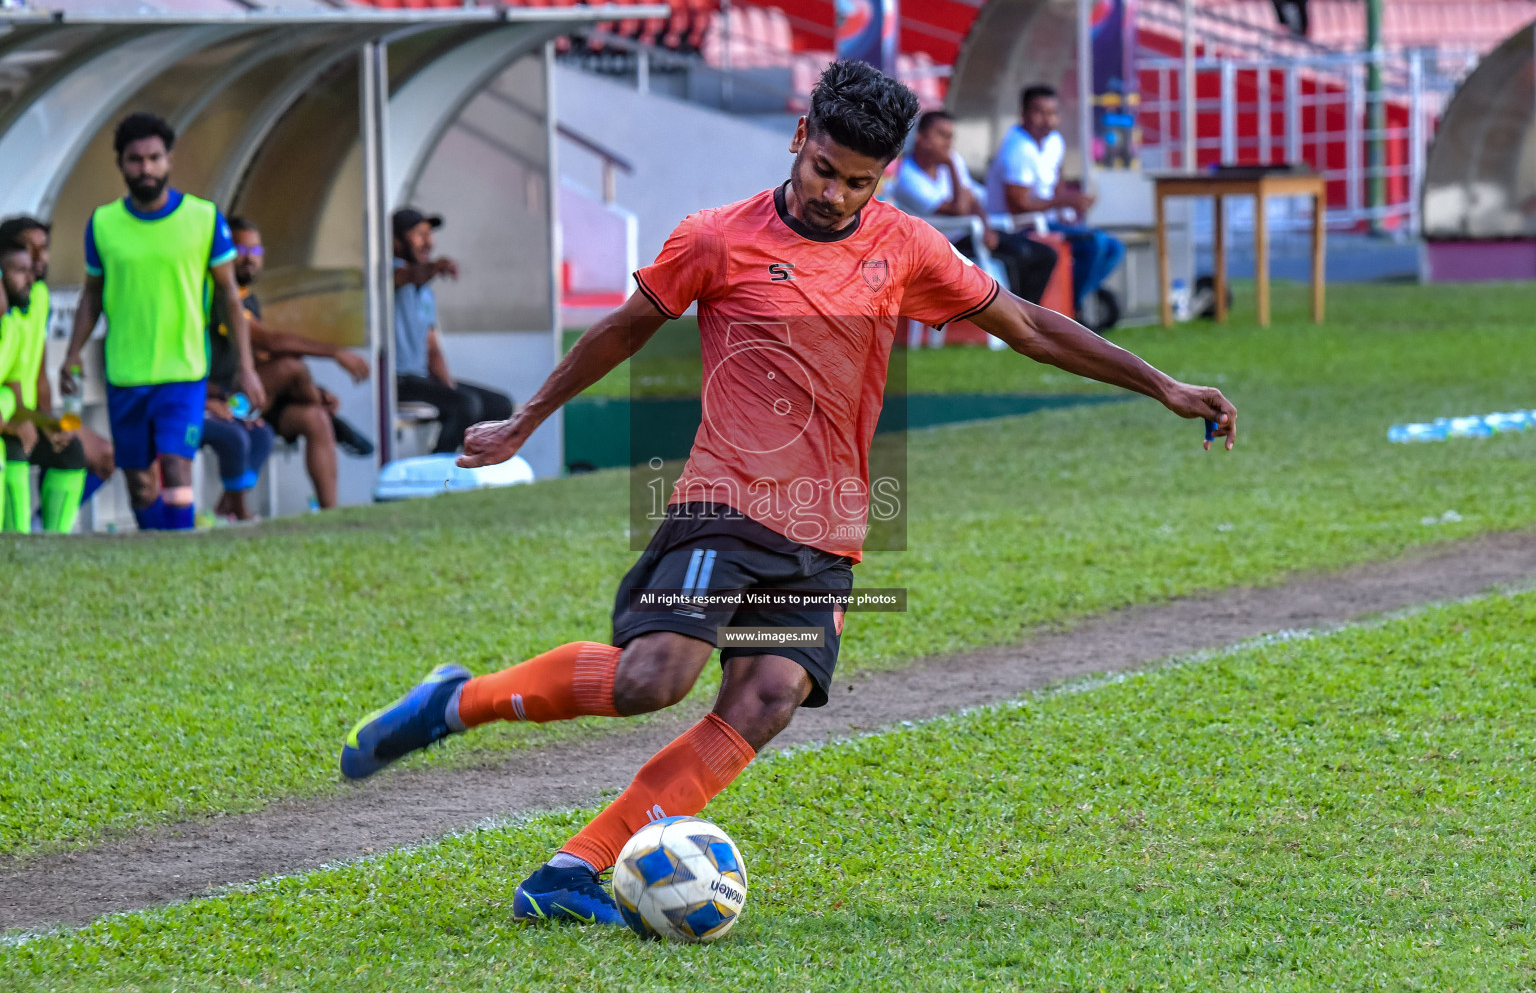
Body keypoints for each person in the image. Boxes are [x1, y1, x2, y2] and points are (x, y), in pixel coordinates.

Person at [339, 60, 1237, 928]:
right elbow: (621, 331)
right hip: (723, 508)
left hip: (828, 534)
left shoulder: (909, 248)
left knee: (766, 697)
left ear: (882, 177)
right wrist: (524, 420)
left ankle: (575, 868)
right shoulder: (715, 239)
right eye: (822, 170)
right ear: (799, 136)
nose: (834, 195)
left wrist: (1161, 384)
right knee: (655, 678)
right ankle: (459, 699)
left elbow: (1030, 326)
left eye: (857, 182)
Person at [60, 112, 264, 533]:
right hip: (126, 371)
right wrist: (71, 353)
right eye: (135, 159)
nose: (146, 168)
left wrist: (246, 367)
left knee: (175, 466)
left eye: (154, 158)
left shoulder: (204, 219)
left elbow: (229, 295)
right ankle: (158, 548)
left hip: (184, 370)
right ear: (120, 164)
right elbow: (92, 295)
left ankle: (180, 550)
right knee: (139, 481)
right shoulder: (103, 224)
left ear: (169, 159)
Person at [208, 216, 372, 513]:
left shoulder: (247, 298)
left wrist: (314, 390)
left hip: (253, 401)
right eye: (241, 250)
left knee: (314, 418)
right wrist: (336, 352)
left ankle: (329, 515)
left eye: (256, 252)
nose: (249, 259)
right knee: (290, 367)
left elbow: (260, 357)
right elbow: (271, 343)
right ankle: (227, 510)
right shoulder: (218, 296)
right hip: (218, 400)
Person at [0, 217, 111, 534]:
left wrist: (45, 423)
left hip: (15, 412)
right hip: (6, 419)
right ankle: (16, 539)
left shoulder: (33, 301)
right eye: (25, 252)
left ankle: (49, 538)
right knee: (13, 443)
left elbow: (24, 381)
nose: (36, 261)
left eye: (41, 250)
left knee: (74, 448)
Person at [985, 85, 1125, 319]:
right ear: (1024, 113)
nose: (1047, 120)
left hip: (1047, 220)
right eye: (1040, 112)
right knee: (1096, 244)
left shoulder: (1054, 142)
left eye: (1052, 113)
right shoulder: (1017, 148)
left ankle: (1071, 302)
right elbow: (1018, 206)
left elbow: (1057, 185)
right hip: (1019, 226)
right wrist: (1064, 201)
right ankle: (1069, 311)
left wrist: (1070, 203)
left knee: (1114, 248)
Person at [890, 110, 1057, 304]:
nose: (948, 143)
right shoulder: (908, 177)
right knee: (1017, 258)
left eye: (951, 137)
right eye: (942, 135)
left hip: (970, 235)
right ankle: (1017, 322)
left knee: (1045, 254)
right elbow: (959, 209)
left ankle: (1030, 317)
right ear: (922, 138)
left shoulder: (951, 160)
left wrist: (986, 229)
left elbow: (973, 200)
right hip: (942, 245)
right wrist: (951, 166)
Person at [392, 207, 513, 453]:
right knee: (465, 405)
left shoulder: (425, 291)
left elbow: (431, 347)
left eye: (429, 234)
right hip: (396, 380)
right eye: (418, 234)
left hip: (421, 379)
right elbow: (409, 275)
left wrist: (447, 387)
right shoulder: (386, 273)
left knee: (499, 406)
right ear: (395, 240)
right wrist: (436, 268)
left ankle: (472, 472)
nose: (427, 241)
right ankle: (440, 473)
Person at [0, 239, 37, 523]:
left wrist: (32, 424)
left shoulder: (12, 325)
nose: (30, 279)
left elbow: (14, 388)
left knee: (70, 450)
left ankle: (21, 540)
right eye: (19, 271)